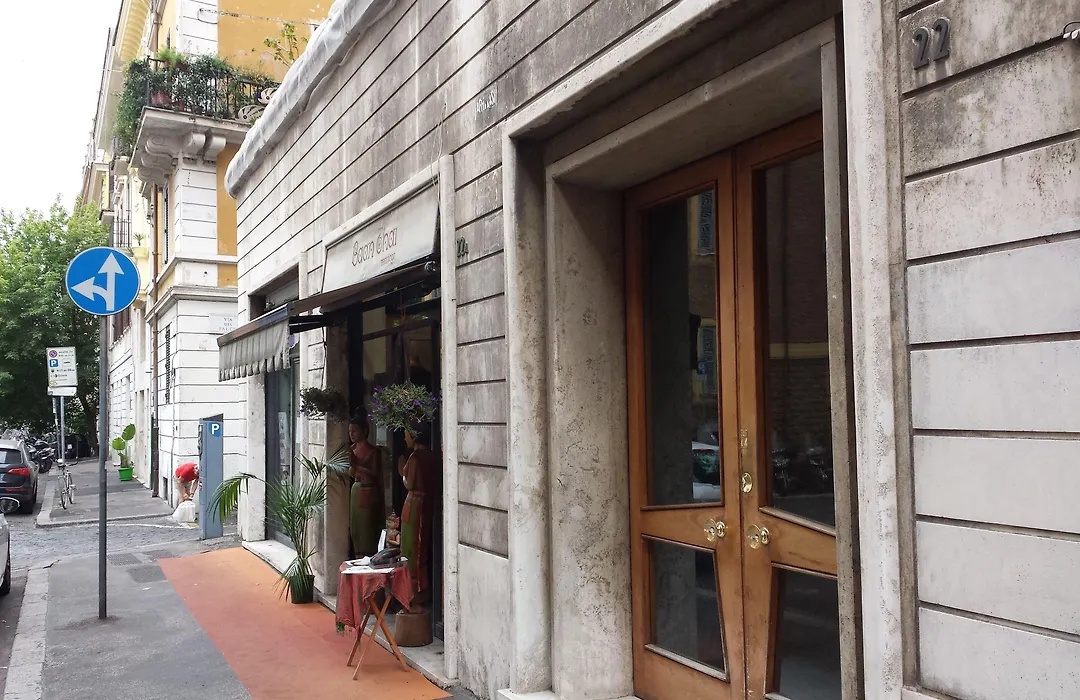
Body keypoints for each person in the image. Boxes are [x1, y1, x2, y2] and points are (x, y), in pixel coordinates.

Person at [400, 425, 437, 596]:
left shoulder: (415, 457)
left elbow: (410, 483)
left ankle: (413, 590)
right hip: (425, 503)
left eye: (407, 435)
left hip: (414, 503)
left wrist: (402, 473)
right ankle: (421, 588)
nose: (405, 438)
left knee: (412, 547)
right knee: (420, 546)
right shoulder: (431, 456)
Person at [348, 416, 384, 557]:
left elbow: (375, 473)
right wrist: (353, 468)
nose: (351, 434)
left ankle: (367, 555)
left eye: (355, 431)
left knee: (366, 527)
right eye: (350, 431)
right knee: (355, 527)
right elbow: (351, 471)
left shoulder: (373, 451)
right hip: (356, 488)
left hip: (369, 490)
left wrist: (358, 466)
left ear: (364, 431)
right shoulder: (352, 449)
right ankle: (357, 554)